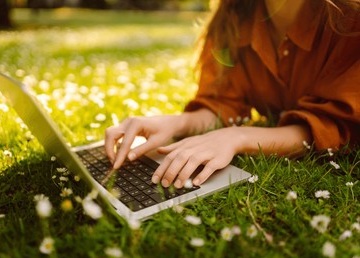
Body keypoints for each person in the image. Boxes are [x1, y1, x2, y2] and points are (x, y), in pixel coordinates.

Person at [105, 0, 360, 189]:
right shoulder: (233, 17)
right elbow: (223, 103)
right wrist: (177, 122)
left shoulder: (353, 20)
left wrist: (239, 136)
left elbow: (338, 125)